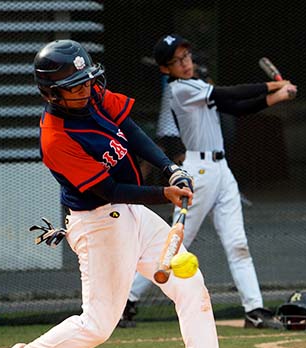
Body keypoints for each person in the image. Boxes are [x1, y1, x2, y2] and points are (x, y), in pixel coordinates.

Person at [0, 40, 239, 348]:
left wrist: (167, 167)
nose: (85, 90)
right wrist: (164, 193)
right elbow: (108, 191)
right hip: (98, 222)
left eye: (87, 81)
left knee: (192, 289)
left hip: (133, 212)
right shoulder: (56, 138)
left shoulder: (91, 96)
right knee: (97, 325)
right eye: (74, 86)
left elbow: (130, 128)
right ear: (52, 93)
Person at [122, 34, 297, 330]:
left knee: (237, 242)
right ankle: (127, 301)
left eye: (186, 57)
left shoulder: (200, 86)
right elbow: (229, 95)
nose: (185, 63)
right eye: (177, 61)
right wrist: (274, 85)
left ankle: (254, 309)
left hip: (221, 170)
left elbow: (238, 108)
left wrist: (277, 97)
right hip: (197, 172)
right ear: (166, 69)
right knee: (177, 244)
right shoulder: (180, 90)